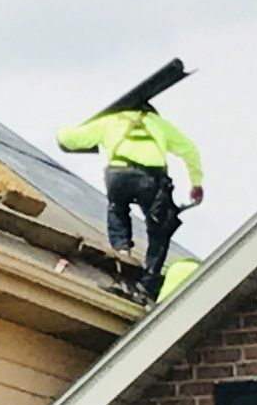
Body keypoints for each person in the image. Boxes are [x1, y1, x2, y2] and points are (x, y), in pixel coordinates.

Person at [55, 105, 203, 300]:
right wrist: (196, 183)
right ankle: (150, 276)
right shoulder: (158, 124)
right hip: (151, 179)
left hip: (119, 174)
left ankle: (122, 250)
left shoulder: (111, 120)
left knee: (117, 208)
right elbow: (189, 149)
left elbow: (71, 139)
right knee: (159, 227)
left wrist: (62, 131)